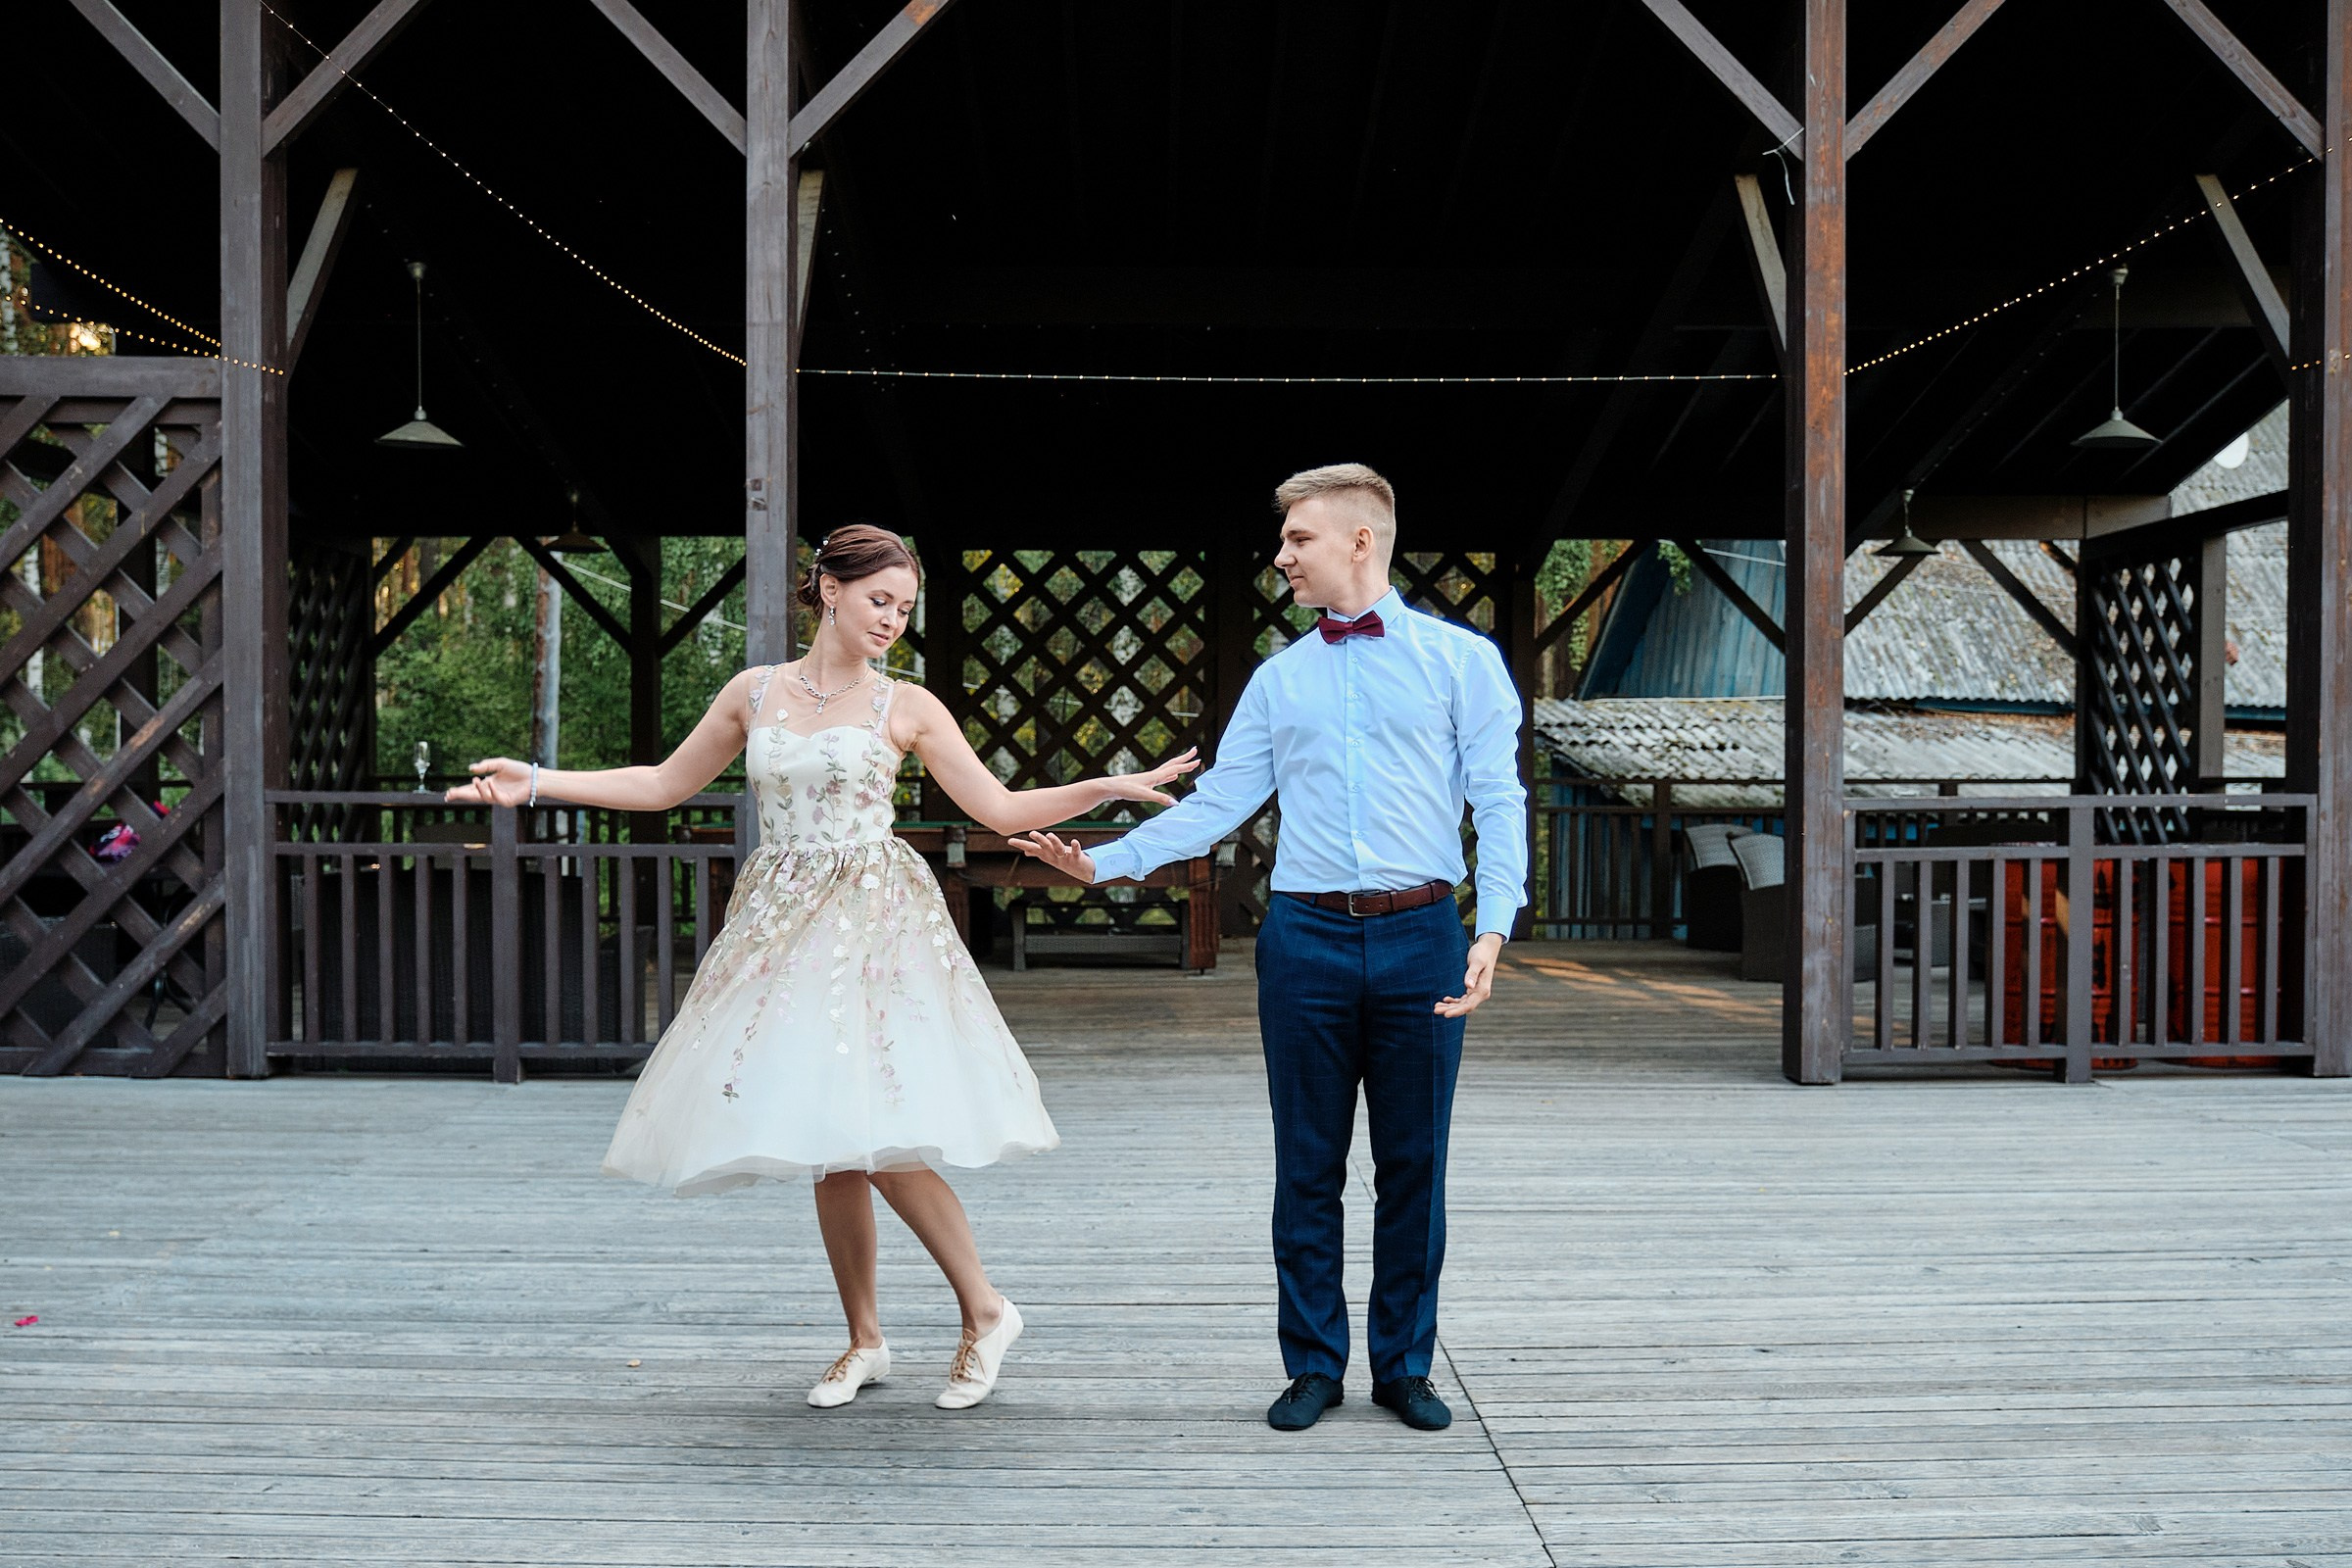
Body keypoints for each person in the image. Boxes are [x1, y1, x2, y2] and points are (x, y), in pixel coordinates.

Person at [448, 525, 1198, 1411]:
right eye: (880, 600)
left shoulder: (907, 706)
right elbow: (661, 785)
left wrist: (1105, 787)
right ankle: (864, 1339)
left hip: (875, 922)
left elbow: (999, 807)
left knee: (878, 1132)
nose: (893, 620)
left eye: (905, 608)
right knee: (827, 1141)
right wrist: (534, 783)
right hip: (778, 925)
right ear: (828, 591)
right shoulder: (753, 691)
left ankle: (986, 1311)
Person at [1015, 465, 1525, 1433]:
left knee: (1416, 1162)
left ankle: (1405, 1365)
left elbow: (1500, 802)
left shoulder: (1464, 665)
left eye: (1299, 538)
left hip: (1425, 934)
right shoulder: (1280, 679)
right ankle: (1312, 1365)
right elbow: (1216, 807)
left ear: (1361, 541)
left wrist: (1493, 921)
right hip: (1304, 940)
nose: (1281, 555)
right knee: (1307, 1163)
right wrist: (1107, 865)